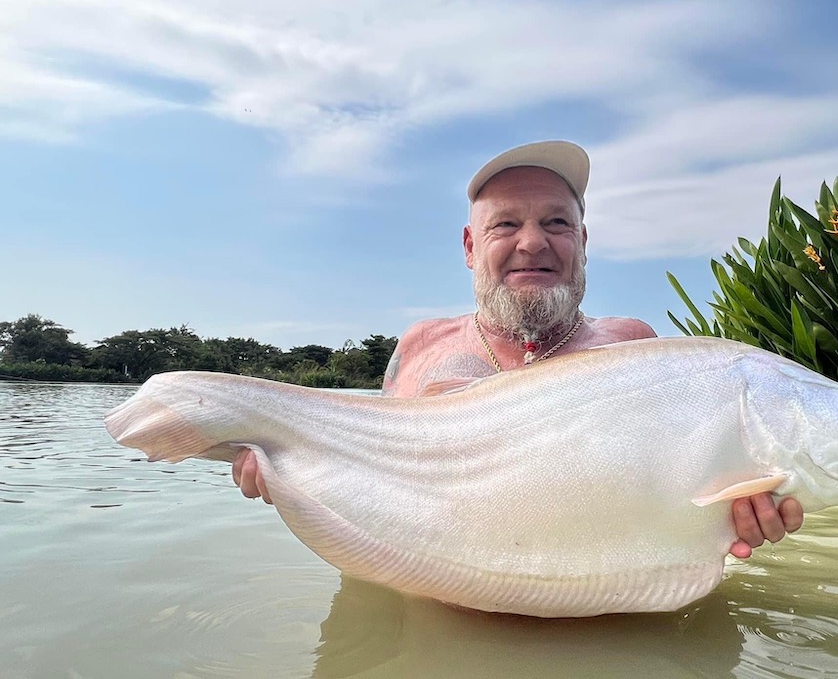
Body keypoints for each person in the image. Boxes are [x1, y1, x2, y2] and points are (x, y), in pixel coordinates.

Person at [233, 140, 803, 558]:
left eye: (557, 222)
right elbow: (365, 473)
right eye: (505, 224)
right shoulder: (421, 346)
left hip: (608, 638)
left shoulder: (632, 347)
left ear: (583, 242)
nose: (533, 242)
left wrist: (744, 510)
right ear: (469, 245)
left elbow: (694, 486)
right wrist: (284, 468)